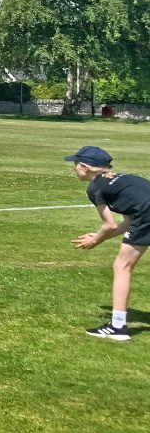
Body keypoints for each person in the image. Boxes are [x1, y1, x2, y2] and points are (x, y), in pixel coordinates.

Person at [68, 146, 150, 341]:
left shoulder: (95, 188)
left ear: (84, 167)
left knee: (122, 266)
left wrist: (95, 240)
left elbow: (110, 225)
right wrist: (99, 236)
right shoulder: (122, 179)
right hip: (144, 214)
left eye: (75, 164)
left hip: (146, 214)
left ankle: (118, 327)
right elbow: (128, 222)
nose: (74, 168)